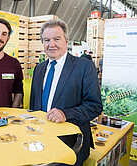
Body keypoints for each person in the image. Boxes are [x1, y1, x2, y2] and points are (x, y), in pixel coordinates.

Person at [29, 19, 103, 165]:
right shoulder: (39, 69)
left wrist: (65, 114)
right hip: (41, 140)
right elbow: (34, 105)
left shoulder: (84, 67)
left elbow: (95, 106)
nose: (52, 44)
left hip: (71, 143)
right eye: (47, 40)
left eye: (57, 39)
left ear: (66, 41)